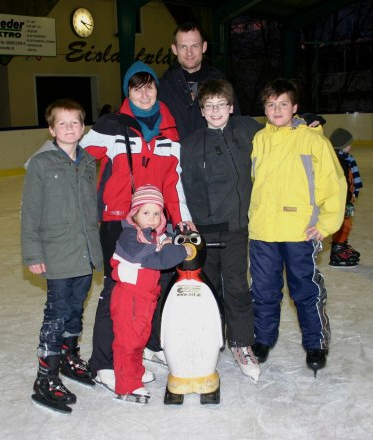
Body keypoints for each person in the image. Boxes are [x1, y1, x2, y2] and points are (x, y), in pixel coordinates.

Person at [80, 60, 194, 392]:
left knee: (152, 287)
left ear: (157, 89)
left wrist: (180, 218)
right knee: (117, 291)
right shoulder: (112, 125)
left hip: (157, 223)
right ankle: (103, 362)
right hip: (118, 222)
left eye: (150, 86)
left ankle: (139, 348)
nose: (144, 93)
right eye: (136, 87)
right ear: (128, 92)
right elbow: (78, 156)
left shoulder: (170, 129)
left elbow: (173, 182)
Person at [248, 78, 346, 376]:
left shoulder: (313, 140)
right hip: (264, 230)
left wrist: (326, 223)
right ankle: (263, 339)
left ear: (295, 107)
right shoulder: (259, 139)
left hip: (299, 231)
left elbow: (335, 184)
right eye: (270, 104)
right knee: (263, 290)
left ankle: (315, 342)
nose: (276, 109)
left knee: (304, 290)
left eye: (283, 104)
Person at [21, 98, 102, 412]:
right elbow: (30, 212)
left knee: (75, 307)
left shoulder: (88, 162)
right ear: (52, 128)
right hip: (55, 252)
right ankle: (46, 375)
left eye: (75, 123)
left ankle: (69, 356)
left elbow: (89, 208)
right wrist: (32, 252)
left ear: (83, 127)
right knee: (56, 314)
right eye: (62, 123)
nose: (69, 128)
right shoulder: (41, 164)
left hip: (83, 252)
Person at [179, 79, 263, 383]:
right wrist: (186, 217)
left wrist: (304, 124)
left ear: (230, 106)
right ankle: (208, 340)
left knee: (238, 286)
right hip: (203, 229)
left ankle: (241, 343)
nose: (215, 110)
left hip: (236, 226)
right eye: (209, 106)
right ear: (202, 111)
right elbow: (179, 184)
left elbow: (280, 137)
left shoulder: (249, 130)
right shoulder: (189, 144)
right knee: (208, 289)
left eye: (221, 104)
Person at [110, 185, 190, 403]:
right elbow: (159, 260)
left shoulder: (148, 235)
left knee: (139, 339)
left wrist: (168, 241)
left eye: (157, 213)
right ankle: (127, 384)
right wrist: (182, 249)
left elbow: (158, 247)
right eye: (146, 213)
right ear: (134, 214)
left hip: (144, 299)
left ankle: (134, 373)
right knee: (128, 342)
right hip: (130, 300)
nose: (152, 218)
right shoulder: (129, 237)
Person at [158, 22, 238, 141]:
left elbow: (236, 123)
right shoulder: (162, 86)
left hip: (213, 156)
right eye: (183, 46)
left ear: (204, 47)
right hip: (176, 157)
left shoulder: (221, 83)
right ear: (174, 49)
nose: (189, 53)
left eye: (194, 46)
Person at [328, 128, 364, 267]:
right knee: (344, 224)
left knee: (344, 224)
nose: (351, 146)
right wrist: (347, 201)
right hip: (341, 201)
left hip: (343, 200)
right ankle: (338, 251)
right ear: (344, 146)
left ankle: (340, 246)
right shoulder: (340, 161)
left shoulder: (342, 158)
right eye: (349, 144)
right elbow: (343, 184)